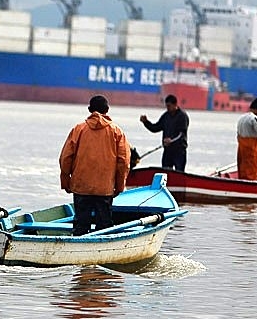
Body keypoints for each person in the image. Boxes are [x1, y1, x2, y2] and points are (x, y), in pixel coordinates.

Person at [59, 95, 130, 236]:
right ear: (107, 110)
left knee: (80, 226)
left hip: (81, 187)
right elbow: (124, 162)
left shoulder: (78, 129)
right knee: (104, 226)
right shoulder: (117, 132)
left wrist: (66, 182)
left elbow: (65, 158)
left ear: (89, 109)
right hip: (105, 189)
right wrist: (119, 186)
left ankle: (77, 246)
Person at [139, 94, 189, 171]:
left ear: (175, 105)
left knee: (179, 173)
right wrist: (146, 122)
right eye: (166, 106)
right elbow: (155, 128)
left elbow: (181, 134)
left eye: (169, 106)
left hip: (179, 152)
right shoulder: (166, 116)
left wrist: (171, 140)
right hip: (168, 151)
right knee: (165, 173)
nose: (167, 108)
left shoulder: (182, 116)